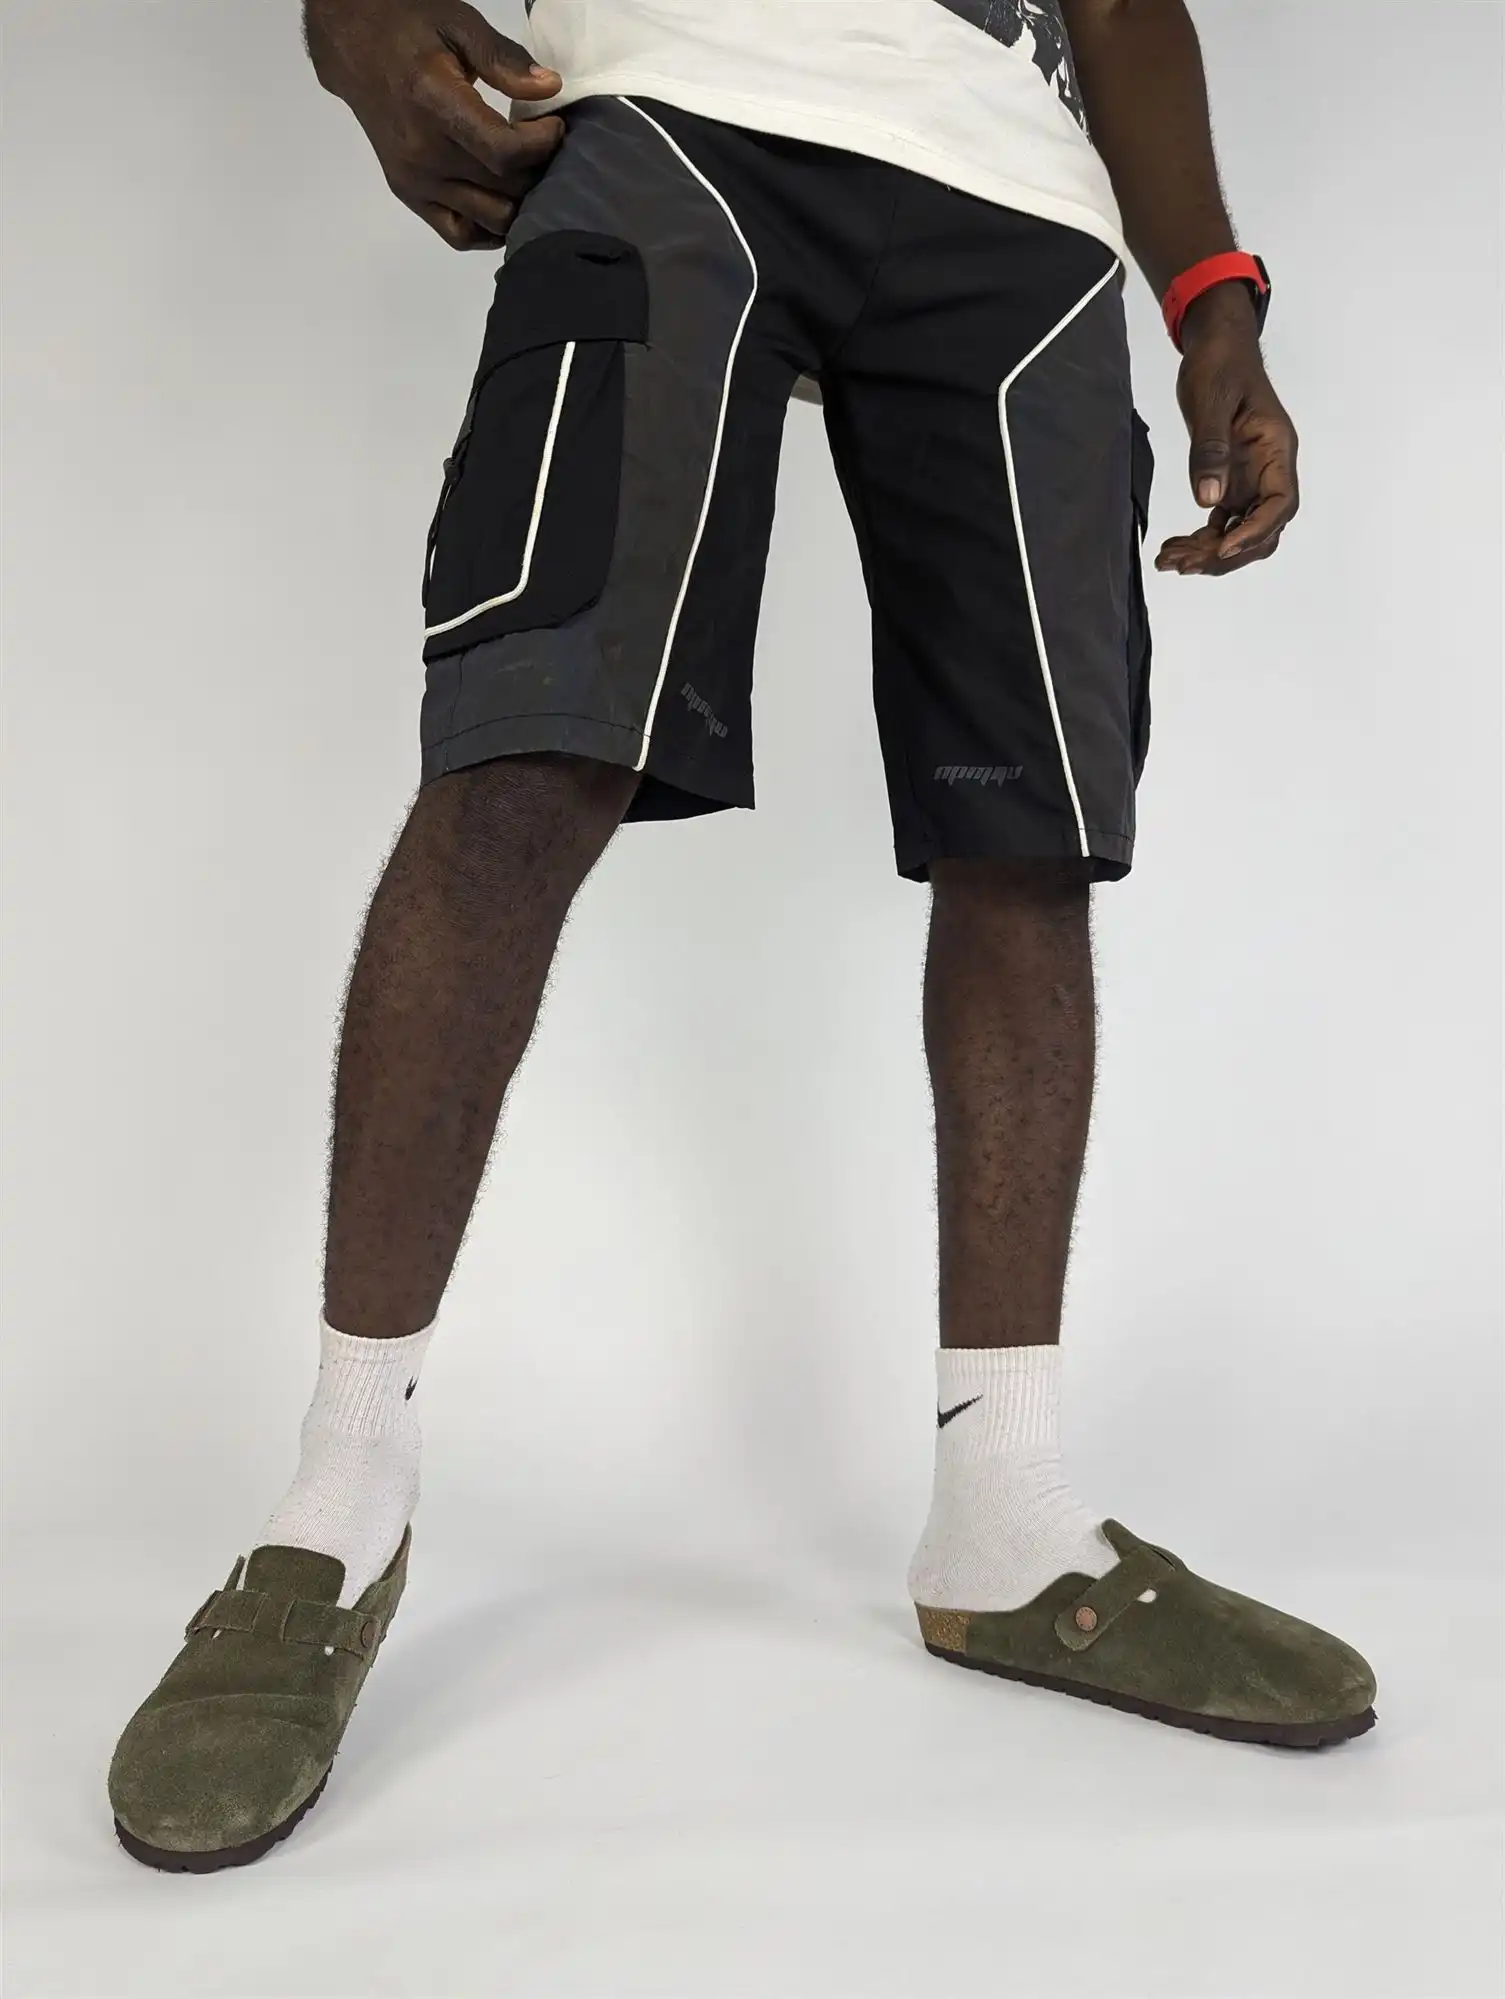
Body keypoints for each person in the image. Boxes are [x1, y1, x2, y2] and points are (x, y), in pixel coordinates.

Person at [108, 0, 1377, 1874]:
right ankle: (335, 1500)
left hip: (1019, 201)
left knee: (1029, 835)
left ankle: (1008, 1516)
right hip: (686, 109)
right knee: (528, 752)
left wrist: (1214, 307)